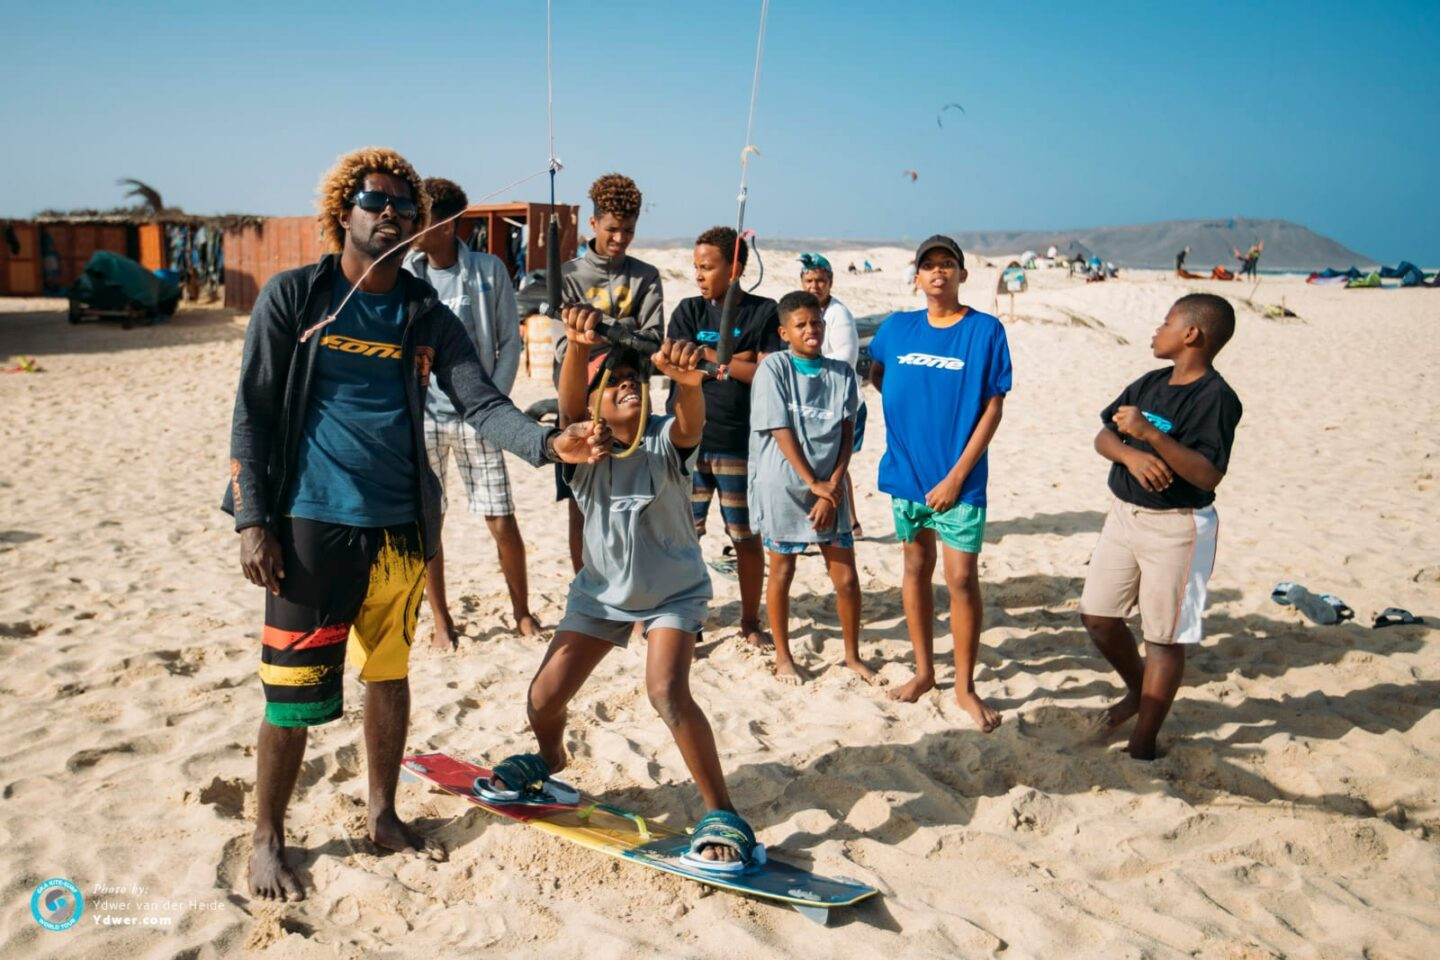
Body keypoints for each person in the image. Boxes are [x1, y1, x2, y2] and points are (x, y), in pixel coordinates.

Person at [224, 147, 609, 902]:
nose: (393, 214)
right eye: (376, 201)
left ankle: (381, 814)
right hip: (309, 523)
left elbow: (482, 402)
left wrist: (548, 443)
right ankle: (268, 837)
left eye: (406, 205)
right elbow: (254, 409)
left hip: (402, 528)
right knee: (291, 695)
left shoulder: (424, 312)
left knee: (389, 675)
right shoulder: (295, 296)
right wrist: (251, 520)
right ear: (343, 211)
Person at [485, 304, 762, 870]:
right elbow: (568, 409)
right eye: (614, 385)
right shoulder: (581, 452)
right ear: (594, 406)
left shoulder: (664, 441)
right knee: (542, 700)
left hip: (673, 595)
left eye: (636, 381)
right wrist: (576, 345)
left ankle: (723, 811)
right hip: (600, 595)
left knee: (666, 692)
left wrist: (688, 384)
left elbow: (690, 421)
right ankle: (551, 759)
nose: (629, 387)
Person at [1079, 293, 1242, 760]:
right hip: (1124, 516)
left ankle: (1143, 743)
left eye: (1166, 322)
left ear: (1191, 334)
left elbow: (1208, 475)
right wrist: (1129, 455)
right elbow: (1104, 436)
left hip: (1178, 528)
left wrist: (1151, 435)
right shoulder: (1150, 382)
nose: (1157, 330)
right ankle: (1139, 690)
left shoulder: (1216, 398)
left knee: (1164, 639)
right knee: (1098, 616)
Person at [868, 235, 1012, 730]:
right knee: (914, 568)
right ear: (917, 277)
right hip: (905, 475)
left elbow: (993, 408)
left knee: (961, 578)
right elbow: (878, 372)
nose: (938, 271)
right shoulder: (897, 327)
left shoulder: (984, 330)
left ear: (961, 274)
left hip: (959, 482)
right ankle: (925, 672)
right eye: (928, 265)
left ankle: (965, 686)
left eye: (947, 264)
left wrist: (955, 477)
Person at [403, 177, 539, 649]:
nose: (413, 227)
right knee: (428, 522)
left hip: (478, 416)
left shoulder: (488, 269)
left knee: (500, 517)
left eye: (422, 219)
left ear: (447, 224)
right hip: (423, 418)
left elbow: (509, 341)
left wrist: (491, 404)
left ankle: (522, 612)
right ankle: (441, 620)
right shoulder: (407, 271)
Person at [667, 226, 783, 648]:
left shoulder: (763, 312)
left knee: (744, 537)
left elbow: (768, 375)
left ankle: (750, 620)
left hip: (740, 443)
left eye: (708, 267)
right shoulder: (688, 311)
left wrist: (711, 359)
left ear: (733, 269)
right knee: (685, 537)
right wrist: (737, 361)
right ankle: (686, 619)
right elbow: (678, 365)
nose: (699, 274)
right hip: (688, 442)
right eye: (696, 266)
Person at [749, 290, 871, 685]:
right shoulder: (774, 368)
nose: (810, 330)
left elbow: (847, 432)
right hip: (784, 485)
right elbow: (779, 427)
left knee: (846, 578)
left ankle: (852, 656)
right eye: (800, 325)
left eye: (816, 322)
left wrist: (831, 488)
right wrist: (812, 483)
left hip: (829, 488)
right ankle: (784, 656)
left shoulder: (841, 374)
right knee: (782, 571)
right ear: (784, 333)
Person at [555, 173, 665, 572]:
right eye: (612, 229)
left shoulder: (646, 276)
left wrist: (600, 330)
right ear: (593, 223)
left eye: (629, 231)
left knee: (635, 497)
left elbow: (654, 341)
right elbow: (565, 348)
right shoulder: (567, 276)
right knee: (580, 503)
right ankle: (584, 583)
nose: (620, 238)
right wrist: (626, 330)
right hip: (581, 403)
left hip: (631, 404)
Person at [799, 251, 867, 537]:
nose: (814, 286)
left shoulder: (838, 314)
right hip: (813, 401)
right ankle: (846, 521)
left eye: (820, 280)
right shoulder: (804, 311)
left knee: (835, 463)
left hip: (841, 402)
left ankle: (848, 522)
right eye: (809, 280)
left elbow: (846, 357)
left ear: (830, 281)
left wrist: (806, 368)